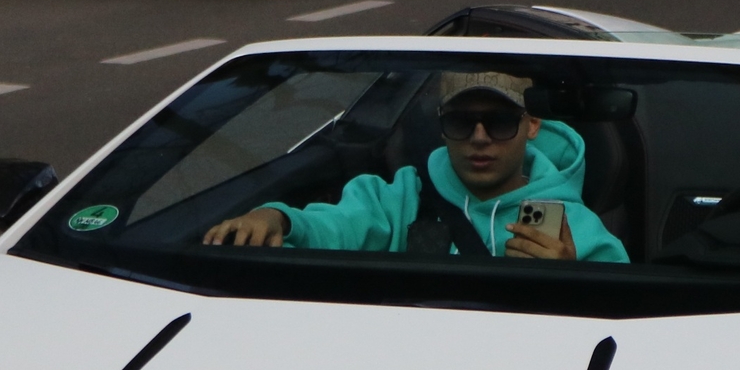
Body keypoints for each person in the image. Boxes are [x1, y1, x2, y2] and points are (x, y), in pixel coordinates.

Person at [202, 82, 630, 262]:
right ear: (441, 126)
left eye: (499, 122)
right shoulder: (397, 198)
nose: (479, 138)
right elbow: (332, 226)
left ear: (531, 125)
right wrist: (277, 218)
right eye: (461, 122)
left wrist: (574, 278)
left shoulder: (575, 227)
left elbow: (627, 317)